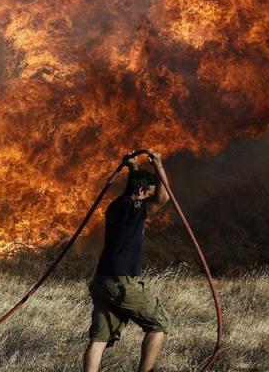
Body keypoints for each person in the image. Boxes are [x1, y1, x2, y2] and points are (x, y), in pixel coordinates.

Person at [83, 150, 171, 372]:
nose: (150, 199)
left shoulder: (116, 205)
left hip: (102, 281)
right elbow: (164, 198)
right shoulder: (135, 209)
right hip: (122, 282)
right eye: (147, 193)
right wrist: (158, 165)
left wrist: (133, 167)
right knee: (159, 323)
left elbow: (133, 190)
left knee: (99, 339)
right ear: (141, 192)